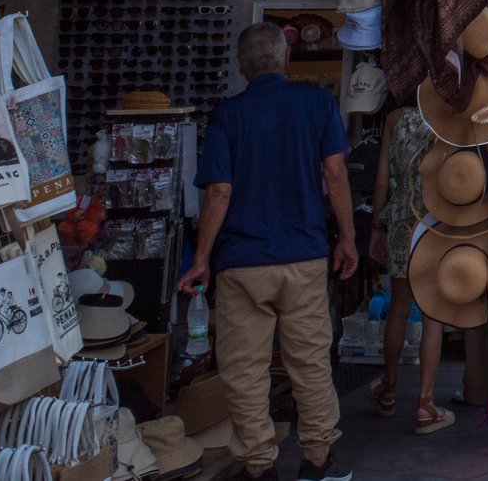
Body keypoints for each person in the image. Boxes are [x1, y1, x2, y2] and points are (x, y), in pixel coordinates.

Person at [178, 24, 356, 481]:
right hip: (304, 257)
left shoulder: (226, 115)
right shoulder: (317, 104)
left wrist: (201, 259)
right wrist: (348, 239)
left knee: (245, 371)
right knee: (311, 363)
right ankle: (319, 461)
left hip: (243, 263)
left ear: (239, 67)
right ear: (285, 61)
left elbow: (219, 191)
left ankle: (259, 467)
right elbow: (335, 175)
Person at [366, 94, 449, 434]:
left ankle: (388, 388)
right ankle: (425, 404)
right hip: (436, 219)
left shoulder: (393, 119)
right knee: (433, 312)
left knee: (399, 307)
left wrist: (375, 227)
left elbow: (382, 180)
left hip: (401, 218)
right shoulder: (445, 112)